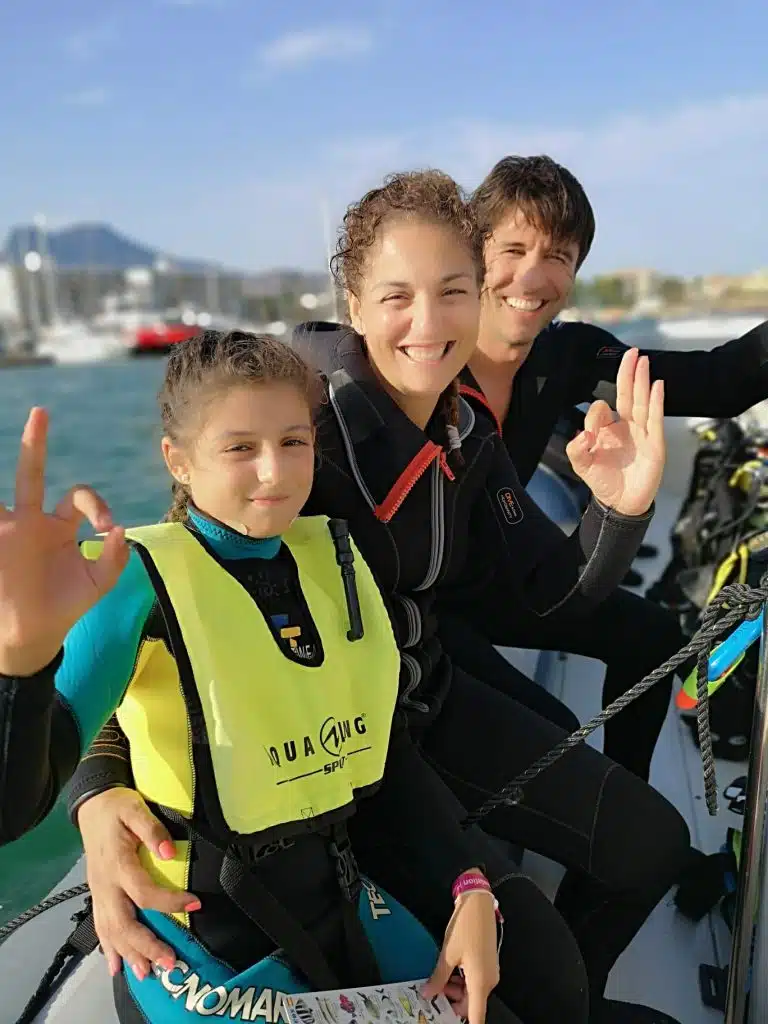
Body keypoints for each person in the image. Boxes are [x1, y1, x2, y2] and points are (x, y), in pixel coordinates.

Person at [54, 170, 688, 1023]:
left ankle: (564, 989)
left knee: (647, 851)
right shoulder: (301, 440)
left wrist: (620, 509)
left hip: (417, 711)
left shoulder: (462, 427)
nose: (428, 323)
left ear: (478, 295)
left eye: (452, 292)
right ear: (354, 304)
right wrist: (95, 794)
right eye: (397, 296)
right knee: (545, 971)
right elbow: (169, 602)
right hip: (335, 768)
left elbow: (550, 595)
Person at [0, 334, 508, 1024]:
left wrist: (470, 885)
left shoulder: (331, 559)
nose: (275, 472)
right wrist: (20, 665)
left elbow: (386, 761)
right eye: (240, 448)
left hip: (342, 900)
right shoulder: (134, 585)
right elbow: (13, 807)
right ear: (177, 460)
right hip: (201, 942)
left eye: (293, 442)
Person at [438, 154, 767, 783]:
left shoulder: (566, 355)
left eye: (559, 256)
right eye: (513, 249)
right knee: (555, 741)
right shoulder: (428, 356)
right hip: (422, 606)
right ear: (473, 250)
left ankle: (631, 805)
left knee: (653, 636)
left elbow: (720, 382)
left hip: (502, 583)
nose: (532, 277)